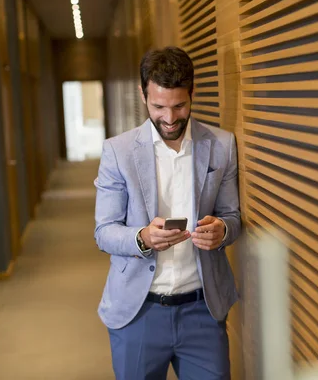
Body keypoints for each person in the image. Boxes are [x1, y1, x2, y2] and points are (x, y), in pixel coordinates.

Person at [94, 46, 241, 380]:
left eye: (180, 106)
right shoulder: (118, 152)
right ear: (142, 93)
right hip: (138, 312)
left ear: (192, 93)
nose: (170, 118)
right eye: (158, 106)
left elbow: (232, 216)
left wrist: (223, 231)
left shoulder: (221, 145)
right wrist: (143, 237)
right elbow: (104, 231)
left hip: (203, 311)